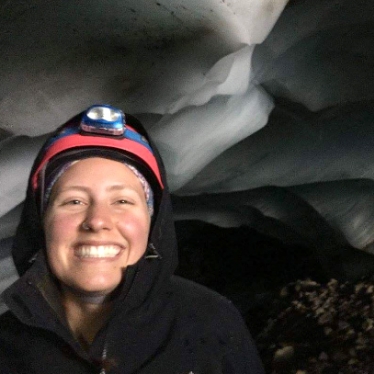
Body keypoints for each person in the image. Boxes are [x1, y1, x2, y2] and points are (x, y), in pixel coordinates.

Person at [0, 105, 264, 373]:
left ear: (152, 220)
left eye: (123, 201)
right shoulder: (6, 346)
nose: (97, 220)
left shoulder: (211, 325)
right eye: (74, 201)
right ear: (41, 221)